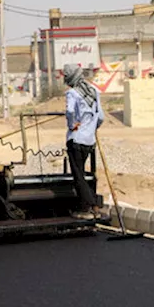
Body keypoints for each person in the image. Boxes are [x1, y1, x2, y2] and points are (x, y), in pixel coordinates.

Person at [63, 64, 104, 219]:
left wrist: (72, 125)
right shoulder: (94, 91)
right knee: (83, 174)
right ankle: (93, 206)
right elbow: (100, 117)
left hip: (76, 139)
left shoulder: (72, 93)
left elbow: (70, 112)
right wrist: (92, 127)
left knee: (78, 175)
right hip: (89, 141)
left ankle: (86, 209)